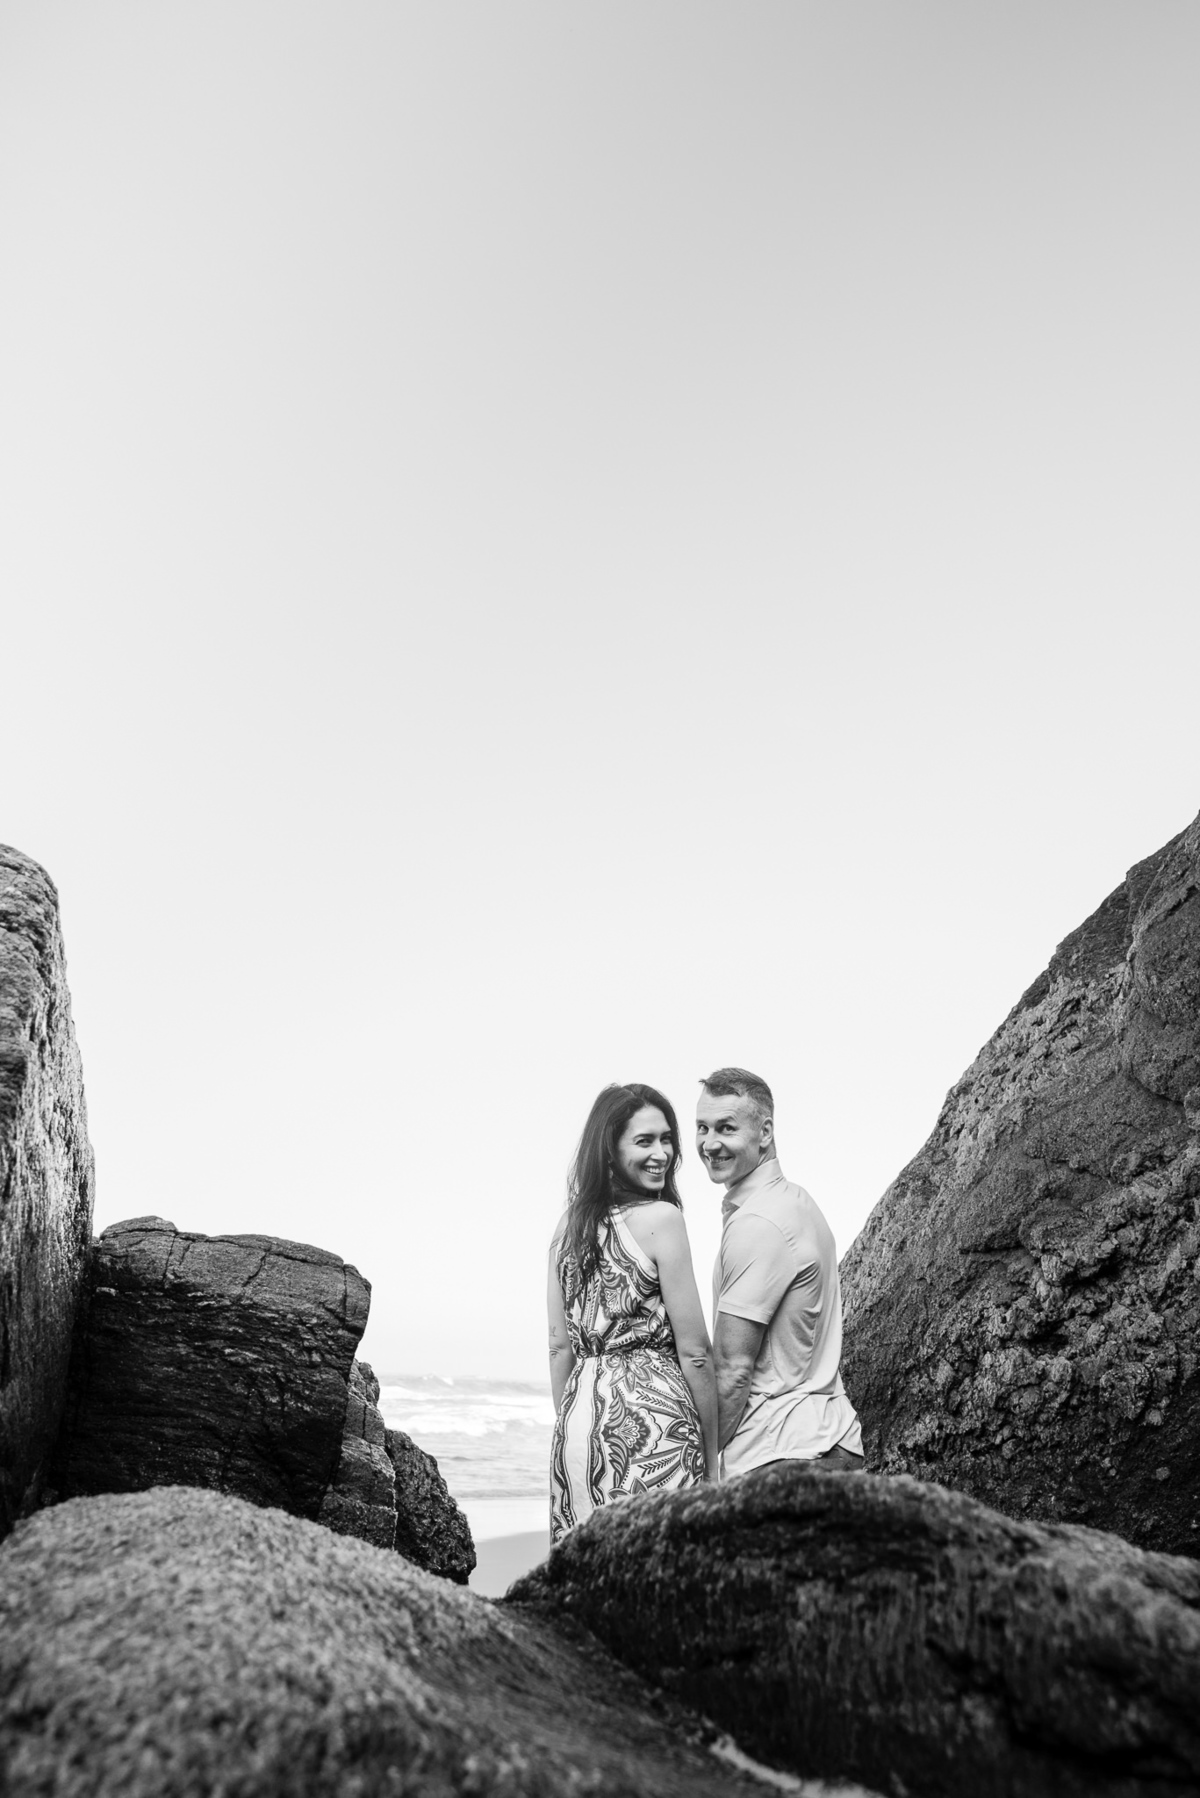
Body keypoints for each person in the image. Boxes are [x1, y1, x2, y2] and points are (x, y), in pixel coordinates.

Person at [548, 1082, 718, 1542]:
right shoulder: (663, 1220)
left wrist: (574, 1422)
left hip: (578, 1422)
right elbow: (697, 1352)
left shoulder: (567, 1227)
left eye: (666, 1140)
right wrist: (713, 1457)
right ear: (608, 1152)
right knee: (663, 1574)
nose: (661, 1153)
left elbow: (559, 1346)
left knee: (586, 1579)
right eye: (644, 1141)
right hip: (656, 1424)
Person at [697, 1067, 864, 1478]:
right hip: (831, 1443)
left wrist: (701, 1468)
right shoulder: (799, 1203)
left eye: (726, 1128)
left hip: (779, 1455)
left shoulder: (759, 1223)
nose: (710, 1143)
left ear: (765, 1132)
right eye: (702, 1128)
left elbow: (733, 1370)